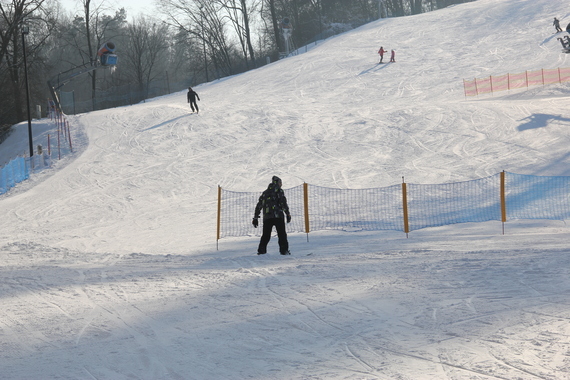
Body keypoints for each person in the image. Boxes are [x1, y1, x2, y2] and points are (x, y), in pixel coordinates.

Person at [252, 176, 291, 255]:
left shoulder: (265, 193)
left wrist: (256, 217)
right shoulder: (279, 191)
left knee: (266, 235)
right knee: (282, 234)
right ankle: (284, 250)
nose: (281, 184)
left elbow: (259, 205)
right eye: (280, 183)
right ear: (277, 183)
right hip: (278, 216)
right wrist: (287, 213)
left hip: (267, 218)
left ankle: (261, 251)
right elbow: (283, 203)